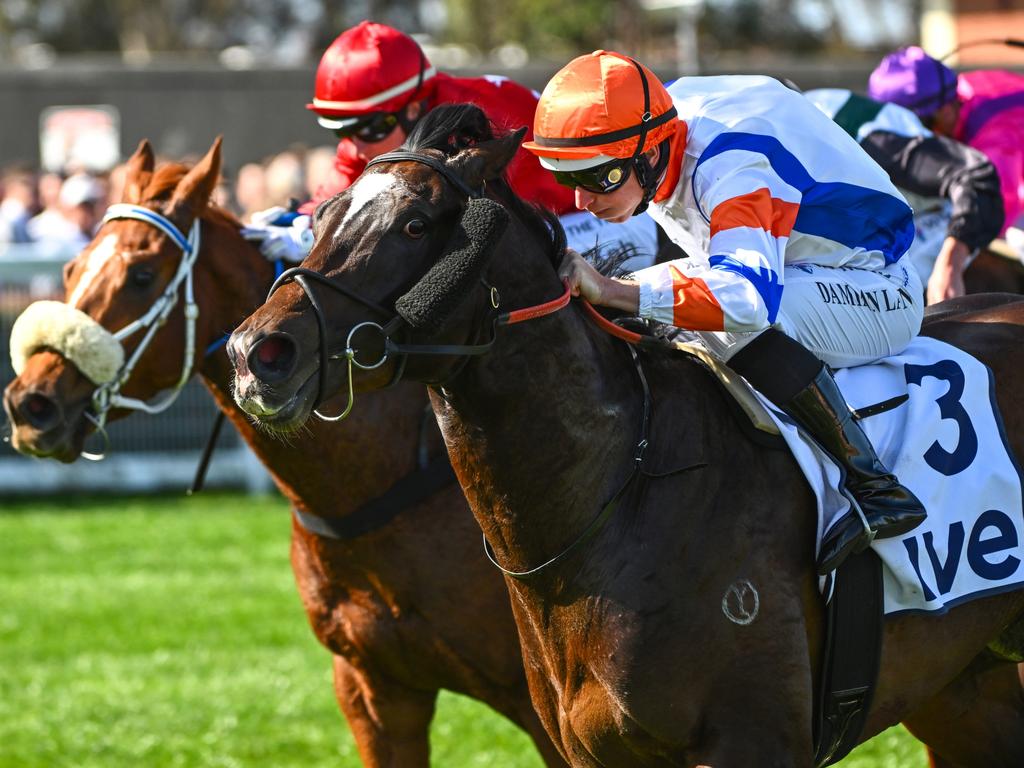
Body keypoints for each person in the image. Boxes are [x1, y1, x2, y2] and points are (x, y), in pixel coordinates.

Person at [522, 51, 928, 574]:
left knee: (718, 320)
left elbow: (747, 298)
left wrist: (614, 289)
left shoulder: (731, 163)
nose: (581, 200)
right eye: (566, 177)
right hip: (810, 265)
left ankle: (874, 488)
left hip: (878, 289)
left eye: (600, 176)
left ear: (649, 152)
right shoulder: (656, 120)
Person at [245, 21, 660, 269]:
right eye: (341, 129)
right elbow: (332, 205)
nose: (354, 144)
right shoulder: (371, 139)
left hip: (606, 214)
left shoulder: (473, 121)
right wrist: (293, 223)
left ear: (413, 108)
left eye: (369, 127)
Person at [804, 87, 1003, 304]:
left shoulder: (879, 145)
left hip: (948, 207)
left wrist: (950, 266)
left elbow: (977, 175)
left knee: (885, 289)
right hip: (893, 199)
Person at [868, 46, 1024, 257]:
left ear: (946, 111)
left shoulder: (993, 136)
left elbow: (996, 208)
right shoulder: (954, 92)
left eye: (919, 128)